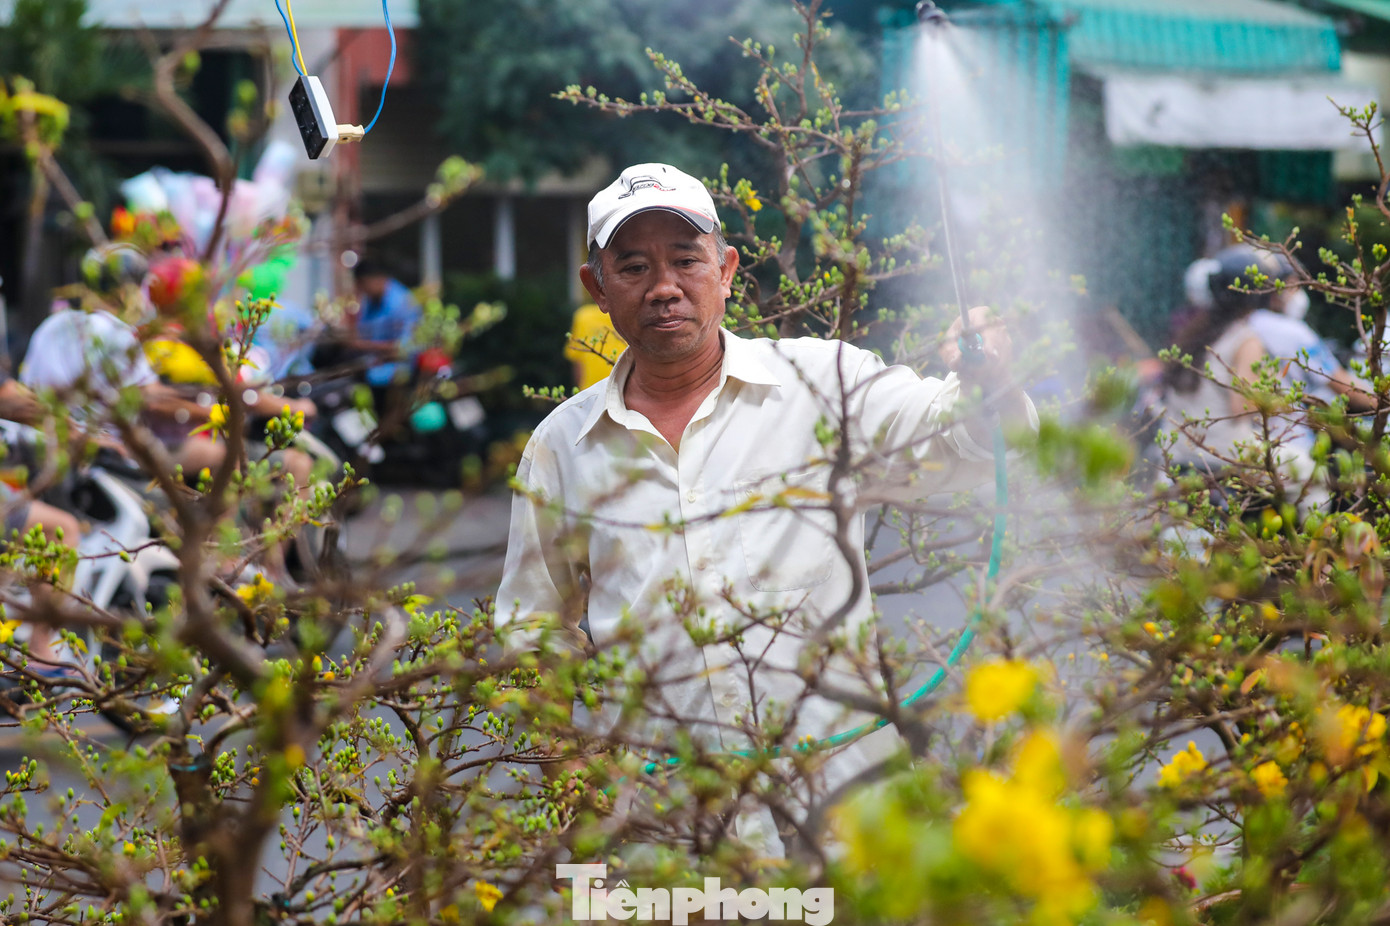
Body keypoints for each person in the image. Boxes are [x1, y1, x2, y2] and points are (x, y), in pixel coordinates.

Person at [494, 162, 1036, 856]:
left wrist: (989, 378)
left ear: (725, 270)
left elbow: (967, 438)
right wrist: (572, 781)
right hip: (666, 833)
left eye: (686, 260)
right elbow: (531, 631)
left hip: (849, 820)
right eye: (633, 267)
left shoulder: (824, 382)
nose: (664, 288)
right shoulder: (562, 447)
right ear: (596, 289)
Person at [344, 259, 422, 388]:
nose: (361, 290)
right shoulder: (371, 301)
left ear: (377, 279)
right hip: (372, 368)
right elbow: (363, 332)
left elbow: (405, 348)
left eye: (362, 284)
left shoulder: (402, 303)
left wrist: (363, 346)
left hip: (396, 375)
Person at [565, 302, 626, 389]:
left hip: (623, 391)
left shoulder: (584, 316)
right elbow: (577, 359)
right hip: (593, 392)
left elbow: (577, 360)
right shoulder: (584, 317)